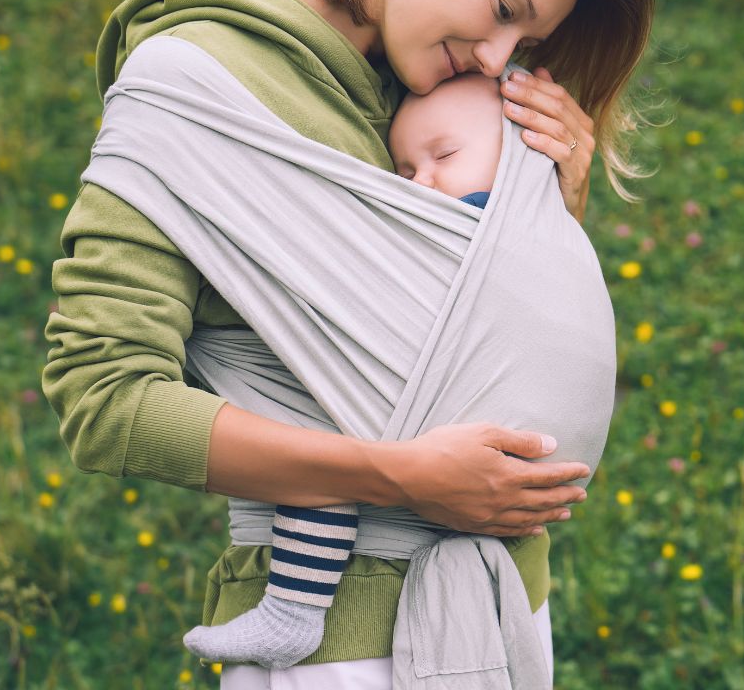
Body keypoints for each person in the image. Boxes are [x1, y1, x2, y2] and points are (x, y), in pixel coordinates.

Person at [41, 0, 655, 686]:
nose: (498, 58)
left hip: (509, 620)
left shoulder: (447, 101)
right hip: (334, 651)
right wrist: (397, 476)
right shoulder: (195, 87)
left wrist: (546, 213)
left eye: (526, 40)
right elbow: (105, 400)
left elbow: (468, 337)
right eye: (501, 9)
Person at [179, 72, 525, 669]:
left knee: (318, 450)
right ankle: (292, 613)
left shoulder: (487, 220)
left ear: (521, 157)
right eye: (406, 171)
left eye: (444, 155)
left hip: (441, 404)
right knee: (323, 453)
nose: (424, 182)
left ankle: (292, 610)